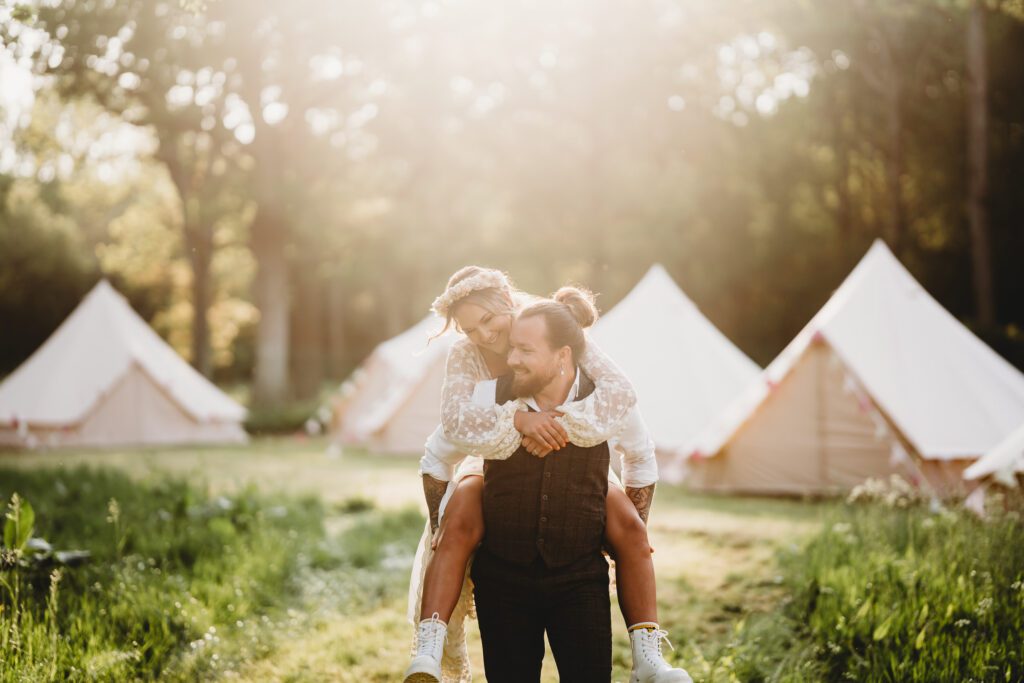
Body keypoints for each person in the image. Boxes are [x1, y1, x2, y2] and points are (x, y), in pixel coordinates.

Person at [403, 268, 690, 682]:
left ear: (508, 302)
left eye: (488, 320)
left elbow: (621, 395)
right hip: (490, 451)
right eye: (470, 328)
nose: (483, 335)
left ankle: (648, 657)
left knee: (627, 524)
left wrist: (561, 423)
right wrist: (517, 421)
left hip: (578, 463)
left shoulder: (555, 330)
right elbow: (453, 426)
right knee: (463, 507)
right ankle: (428, 646)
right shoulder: (469, 361)